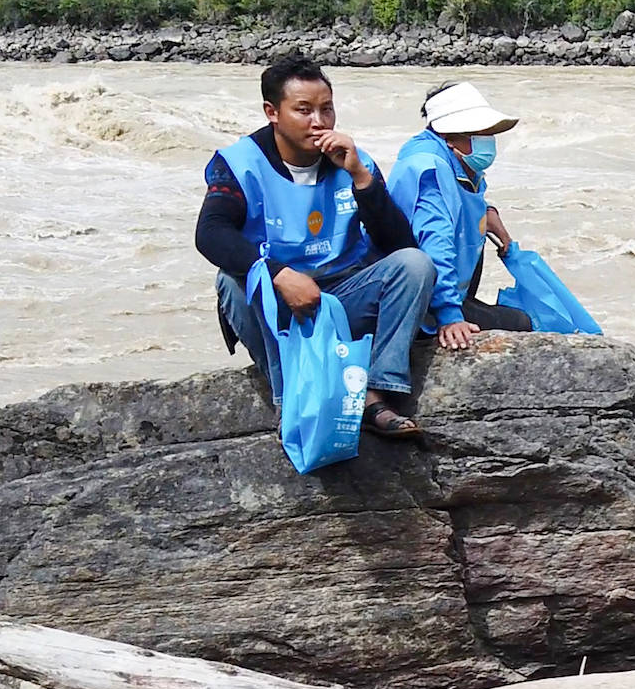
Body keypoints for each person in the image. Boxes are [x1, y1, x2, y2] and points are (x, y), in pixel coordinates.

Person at [195, 55, 434, 440]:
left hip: (343, 297)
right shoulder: (238, 164)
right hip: (278, 303)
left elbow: (398, 244)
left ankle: (375, 389)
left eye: (326, 109)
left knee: (414, 264)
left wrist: (360, 177)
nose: (319, 122)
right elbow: (210, 233)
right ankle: (290, 394)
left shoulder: (353, 161)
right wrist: (278, 275)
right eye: (303, 111)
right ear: (273, 112)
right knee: (231, 282)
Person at [390, 81, 535, 352]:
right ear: (450, 135)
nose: (488, 140)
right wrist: (450, 317)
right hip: (424, 307)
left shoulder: (450, 159)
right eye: (479, 133)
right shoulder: (430, 169)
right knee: (522, 322)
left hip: (436, 295)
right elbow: (435, 242)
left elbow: (460, 204)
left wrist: (488, 214)